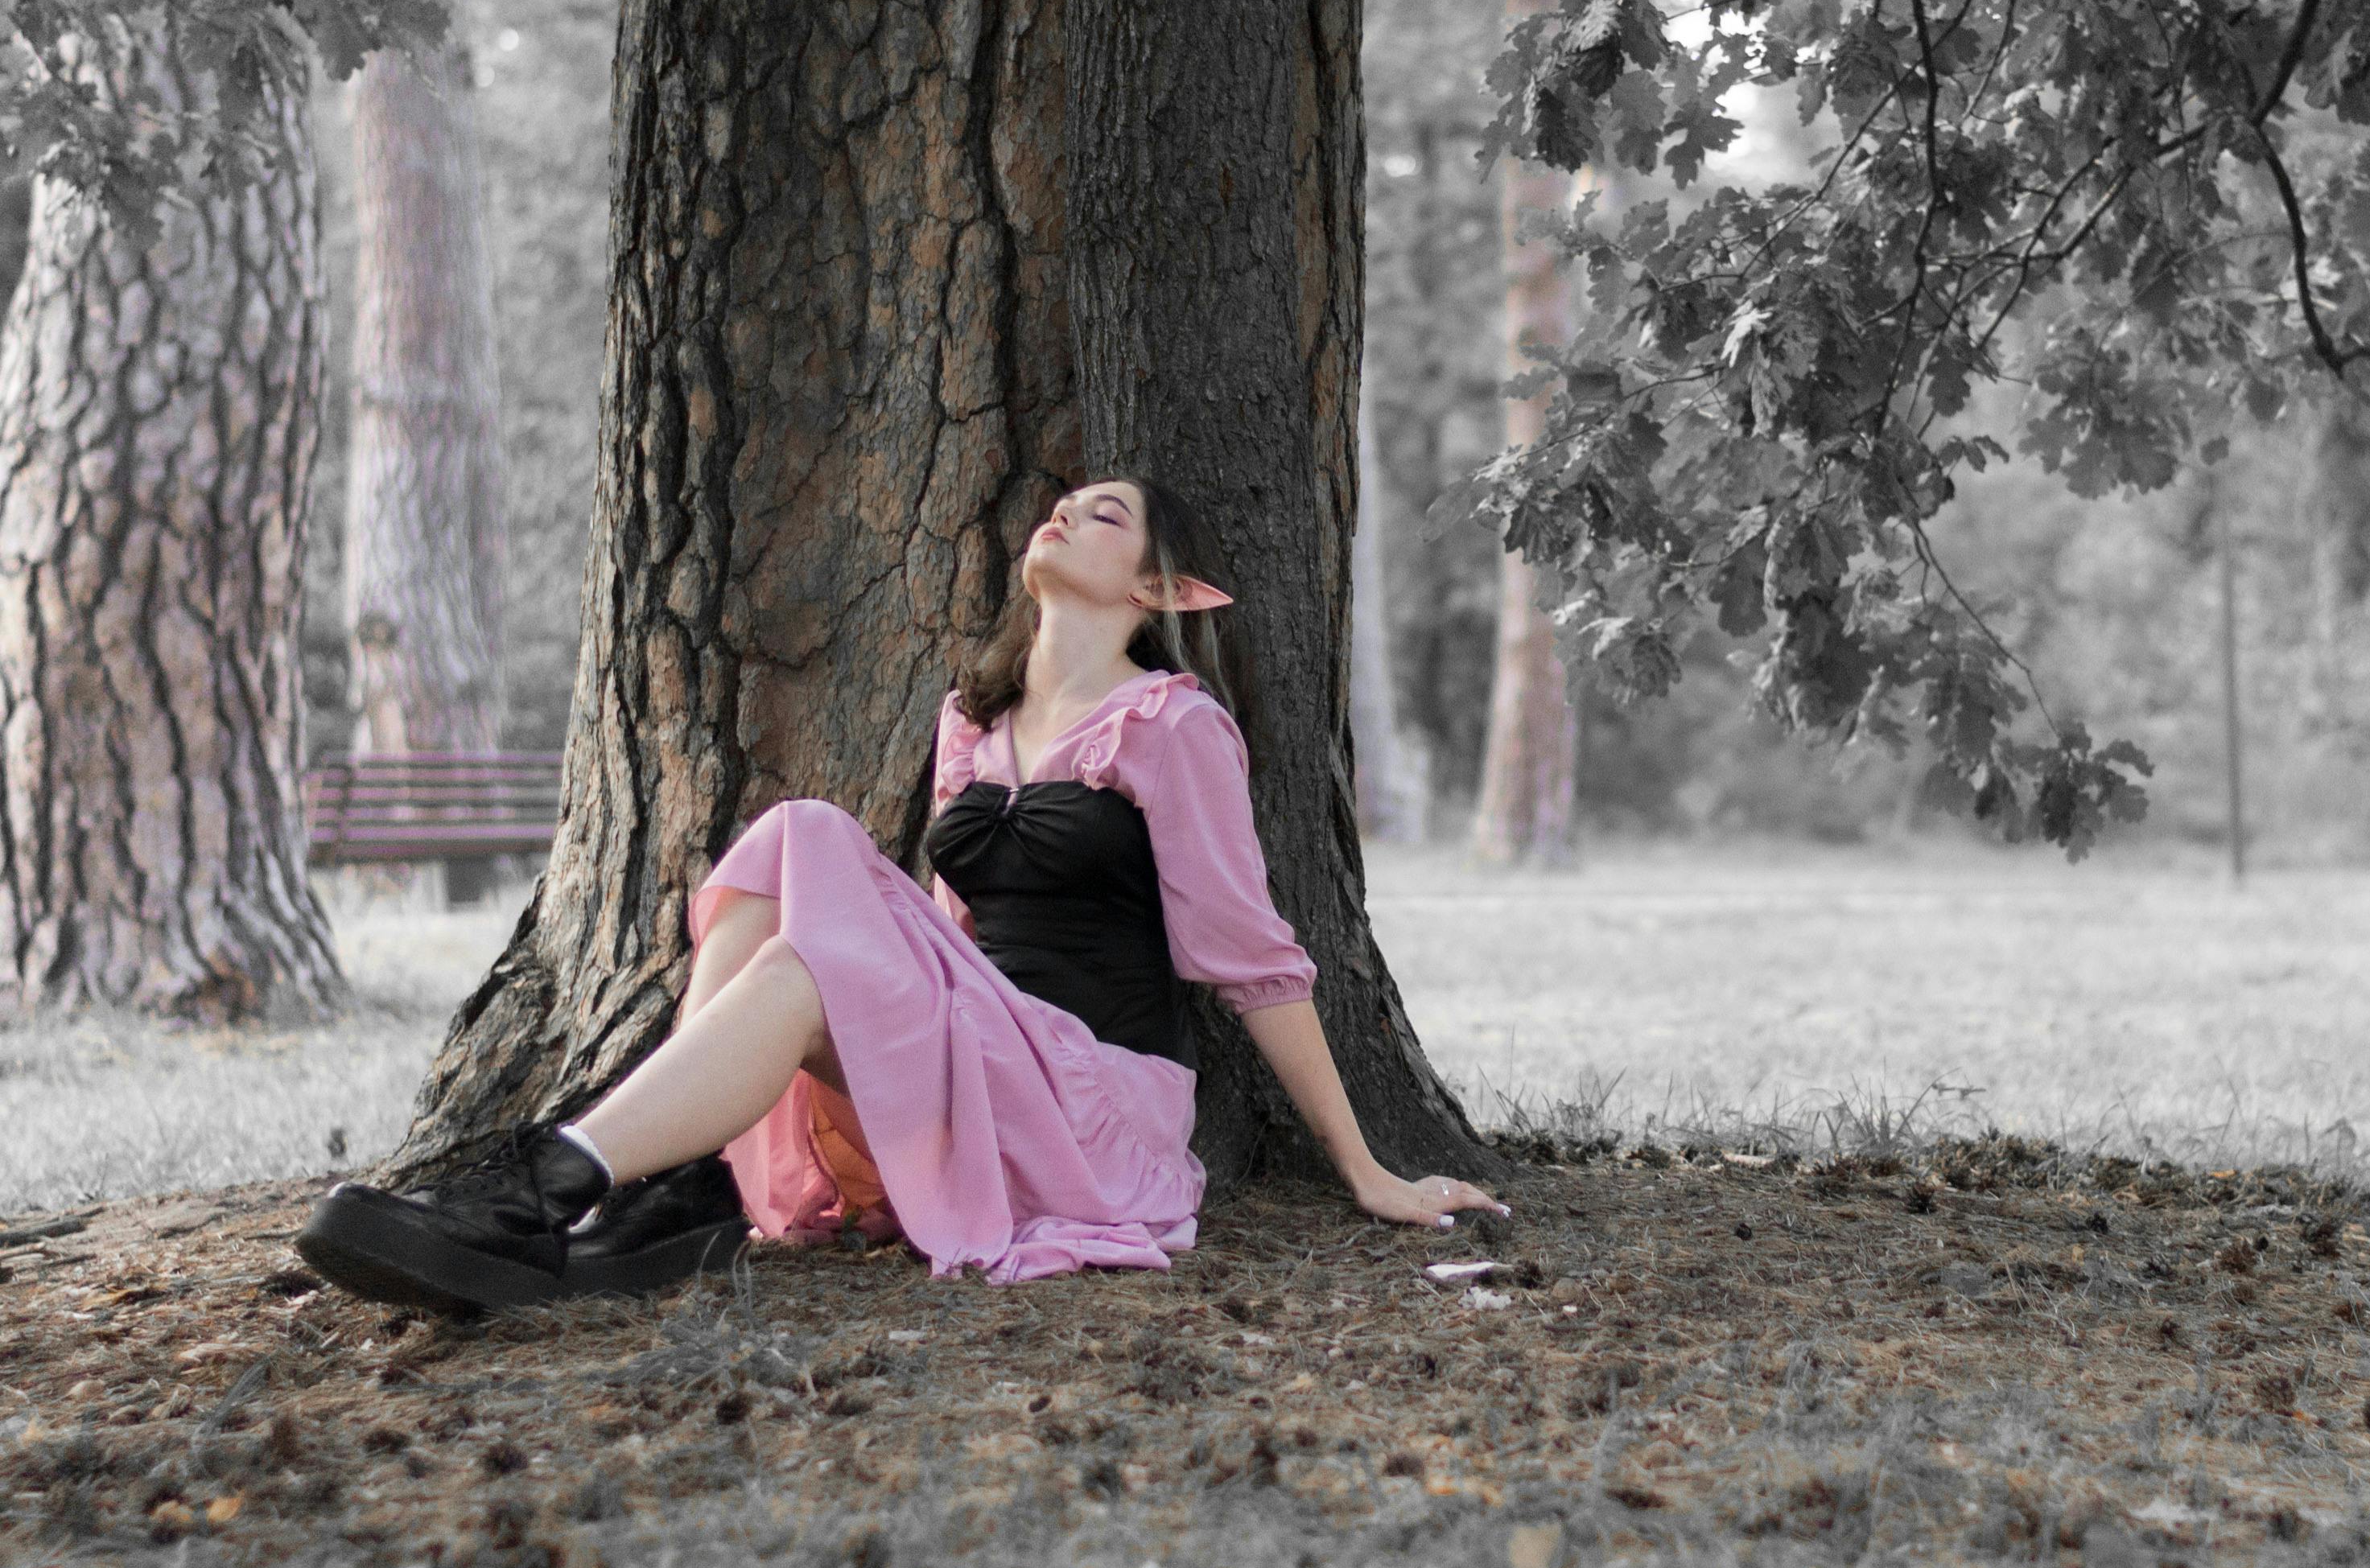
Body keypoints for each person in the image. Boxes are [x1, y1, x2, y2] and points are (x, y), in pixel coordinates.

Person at [296, 476, 1505, 1315]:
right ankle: (656, 1178)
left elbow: (1251, 957)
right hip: (975, 1060)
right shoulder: (969, 722)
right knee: (800, 840)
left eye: (1107, 515)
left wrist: (1366, 1170)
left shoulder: (1171, 728)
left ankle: (559, 1190)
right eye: (1063, 503)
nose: (1066, 514)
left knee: (810, 877)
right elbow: (946, 931)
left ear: (1162, 590)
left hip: (1092, 1106)